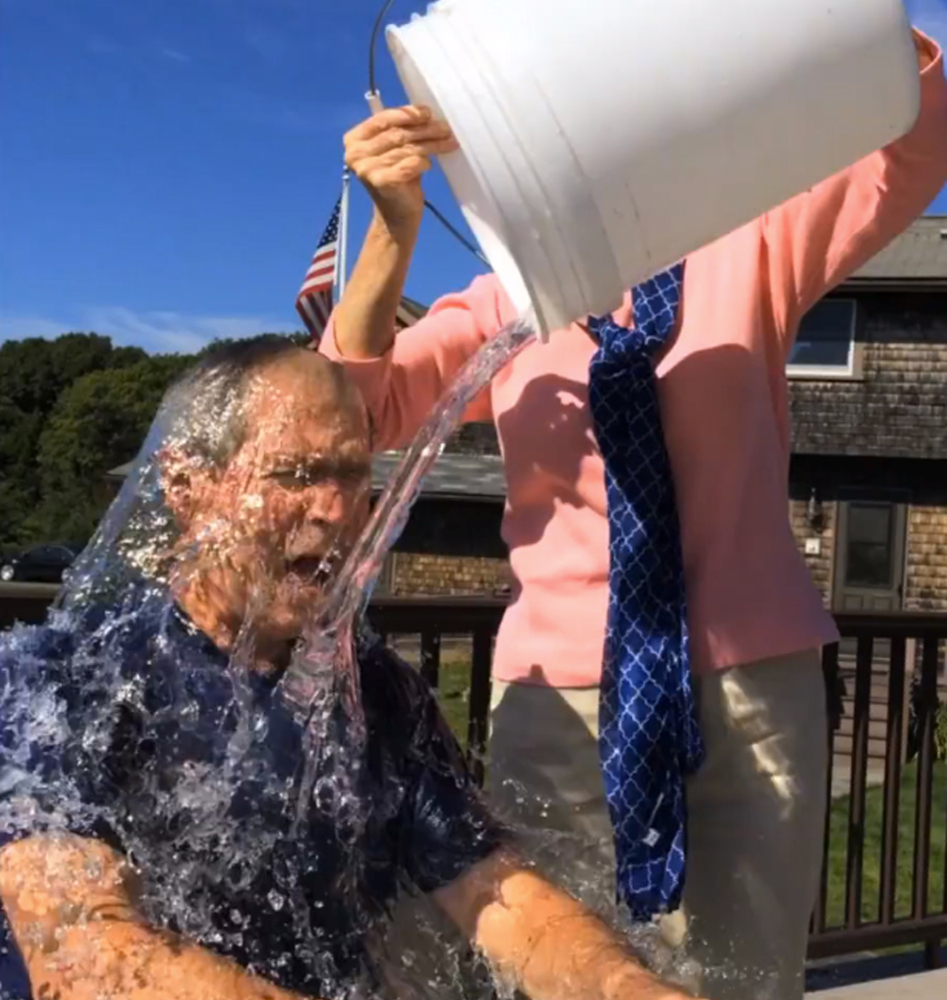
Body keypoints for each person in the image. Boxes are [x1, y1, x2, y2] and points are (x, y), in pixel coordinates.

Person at [319, 27, 947, 1000]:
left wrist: (834, 21)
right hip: (554, 698)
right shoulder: (498, 305)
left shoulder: (748, 243)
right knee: (558, 969)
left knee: (747, 972)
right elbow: (350, 414)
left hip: (750, 688)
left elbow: (913, 139)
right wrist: (391, 227)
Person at [0, 339, 700, 1000]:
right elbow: (79, 949)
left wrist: (624, 986)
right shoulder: (65, 681)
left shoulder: (376, 695)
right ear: (185, 485)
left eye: (355, 476)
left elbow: (497, 894)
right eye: (296, 475)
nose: (338, 512)